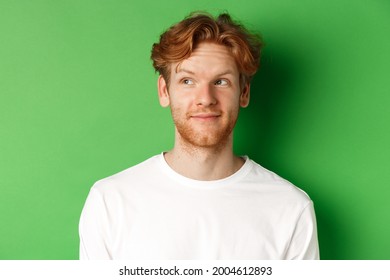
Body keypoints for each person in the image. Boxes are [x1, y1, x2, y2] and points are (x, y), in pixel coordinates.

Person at [79, 12, 319, 260]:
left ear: (244, 92)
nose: (205, 98)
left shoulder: (290, 208)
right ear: (164, 91)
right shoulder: (110, 202)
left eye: (221, 82)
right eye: (187, 81)